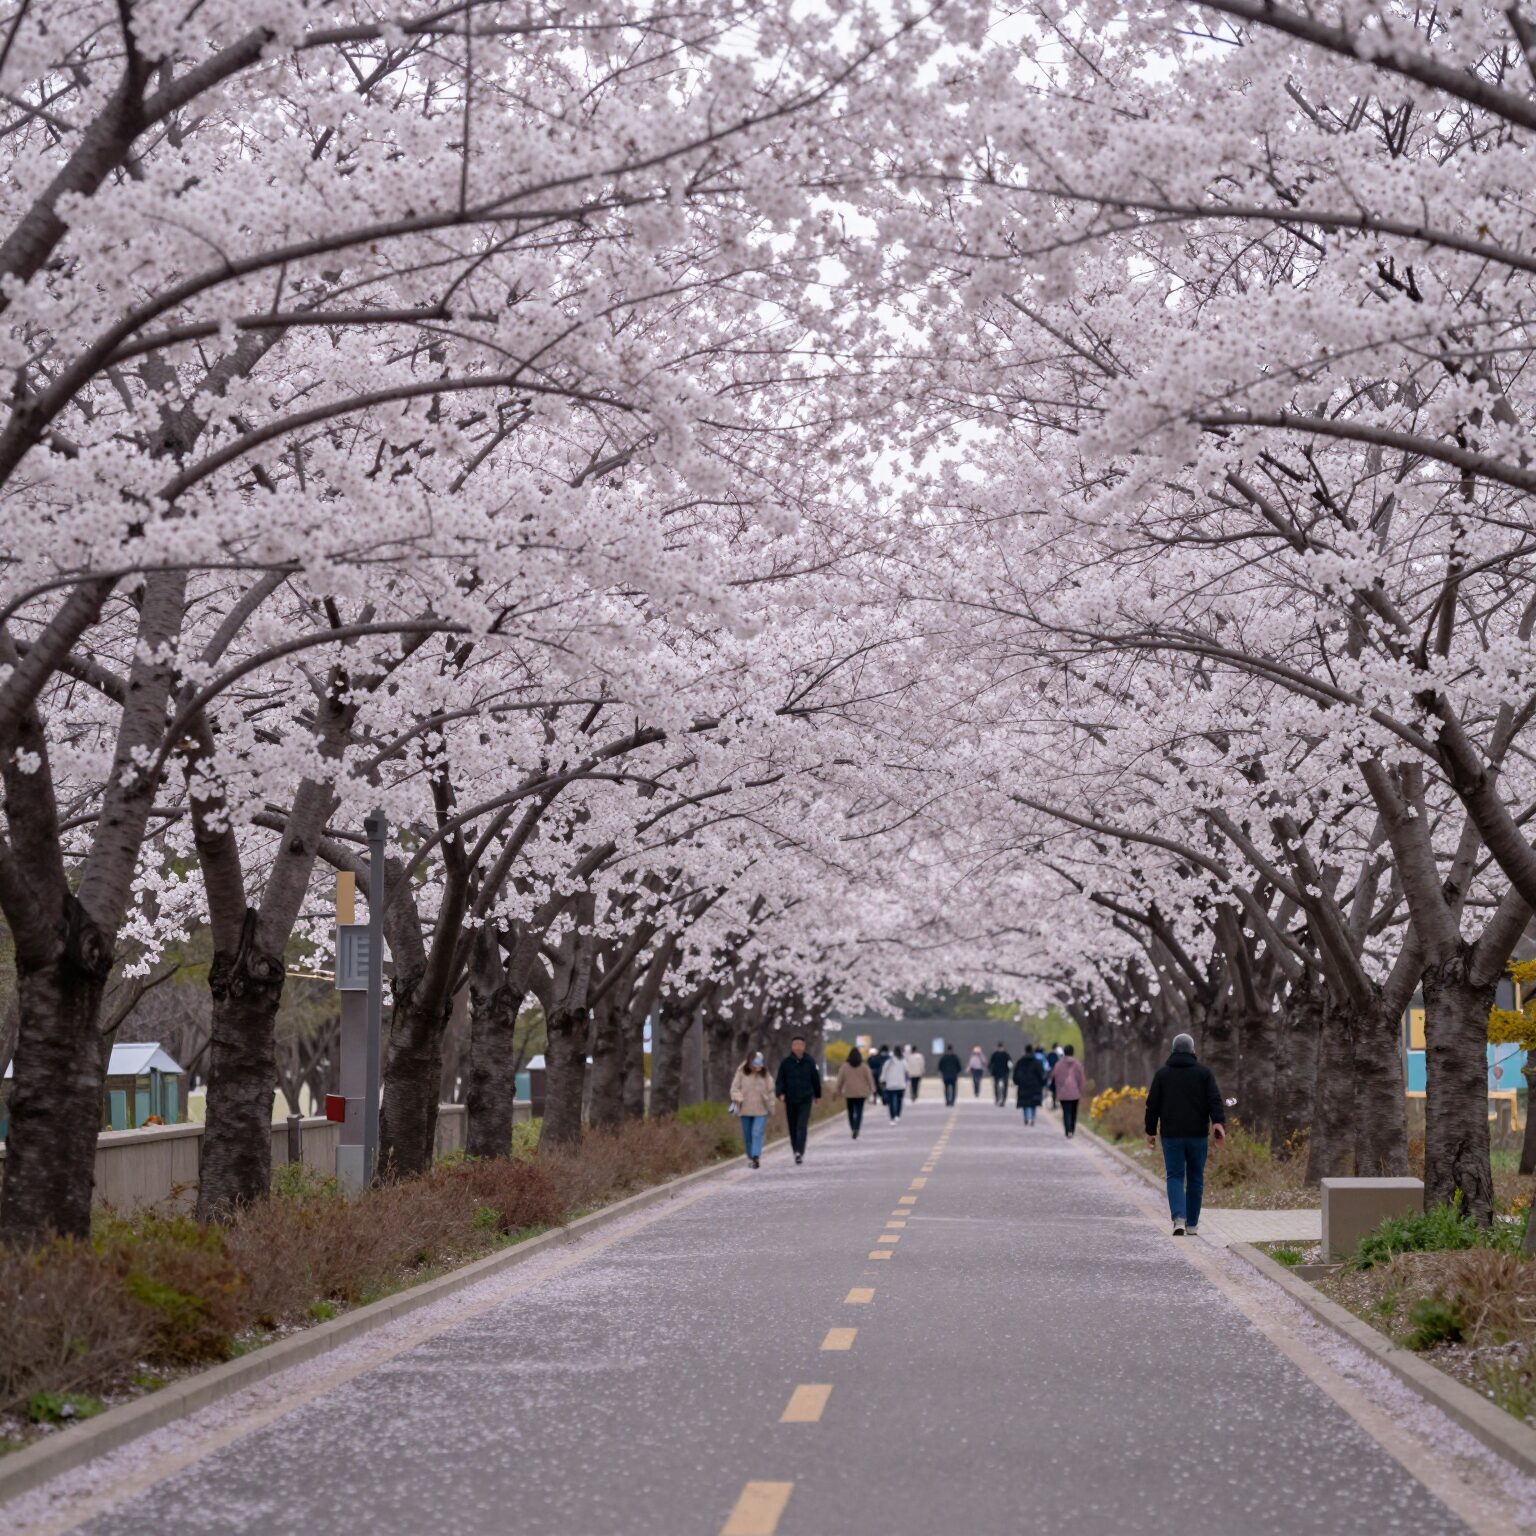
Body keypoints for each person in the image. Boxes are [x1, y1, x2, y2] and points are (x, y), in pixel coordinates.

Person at [1145, 1032, 1227, 1236]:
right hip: (1197, 1134)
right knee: (1195, 1177)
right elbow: (1214, 1100)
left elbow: (1152, 1105)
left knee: (1174, 1175)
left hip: (1171, 1134)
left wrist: (1150, 1131)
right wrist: (1218, 1122)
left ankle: (1178, 1219)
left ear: (1173, 1050)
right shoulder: (1204, 1073)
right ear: (1193, 1050)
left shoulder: (1162, 1074)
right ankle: (1192, 1224)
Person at [774, 1035, 822, 1164]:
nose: (797, 1047)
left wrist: (817, 1095)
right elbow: (780, 1080)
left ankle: (799, 1151)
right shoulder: (786, 1063)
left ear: (804, 1046)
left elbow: (815, 1080)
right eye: (795, 1044)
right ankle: (795, 1149)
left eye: (800, 1044)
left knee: (801, 1125)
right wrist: (780, 1093)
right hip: (790, 1098)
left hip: (805, 1098)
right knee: (793, 1126)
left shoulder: (810, 1062)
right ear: (792, 1046)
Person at [729, 1051, 776, 1168]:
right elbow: (734, 1089)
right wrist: (739, 1097)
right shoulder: (741, 1072)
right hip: (745, 1109)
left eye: (759, 1065)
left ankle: (756, 1156)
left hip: (761, 1110)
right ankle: (751, 1157)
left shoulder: (765, 1073)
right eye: (755, 1065)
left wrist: (771, 1106)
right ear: (750, 1063)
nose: (757, 1068)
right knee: (747, 1136)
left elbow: (771, 1091)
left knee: (757, 1132)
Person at [834, 1047, 875, 1140]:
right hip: (861, 1093)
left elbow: (840, 1080)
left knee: (851, 1111)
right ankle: (857, 1128)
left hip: (849, 1093)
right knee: (859, 1111)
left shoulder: (844, 1066)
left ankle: (852, 1127)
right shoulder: (864, 1066)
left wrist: (838, 1090)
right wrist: (872, 1089)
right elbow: (869, 1079)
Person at [1050, 1044, 1086, 1137]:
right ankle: (1072, 1129)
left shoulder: (1058, 1064)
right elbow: (1081, 1078)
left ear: (1064, 1052)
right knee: (1074, 1111)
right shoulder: (1077, 1064)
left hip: (1063, 1092)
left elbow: (1054, 1077)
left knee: (1066, 1111)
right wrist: (1081, 1090)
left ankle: (1068, 1130)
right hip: (1075, 1092)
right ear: (1073, 1052)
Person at [1012, 1044, 1046, 1126]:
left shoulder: (1020, 1062)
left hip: (1023, 1085)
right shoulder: (1037, 1062)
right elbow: (1041, 1074)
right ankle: (1033, 1118)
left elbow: (1016, 1073)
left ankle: (1026, 1117)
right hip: (1035, 1085)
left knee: (1025, 1103)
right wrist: (1043, 1083)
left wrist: (1016, 1081)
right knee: (1033, 1103)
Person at [880, 1044, 909, 1120]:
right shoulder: (903, 1062)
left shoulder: (888, 1062)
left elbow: (884, 1072)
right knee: (899, 1101)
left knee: (891, 1102)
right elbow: (907, 1072)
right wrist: (906, 1082)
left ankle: (892, 1116)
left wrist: (882, 1081)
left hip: (890, 1085)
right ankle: (897, 1115)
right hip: (901, 1085)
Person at [988, 1042, 1011, 1106]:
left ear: (997, 1047)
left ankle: (997, 1098)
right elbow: (1010, 1063)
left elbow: (991, 1063)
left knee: (996, 1086)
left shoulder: (995, 1054)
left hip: (996, 1072)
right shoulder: (1006, 1054)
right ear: (1003, 1047)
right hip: (1005, 1072)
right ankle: (1004, 1099)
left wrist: (990, 1070)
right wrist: (1009, 1070)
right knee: (1005, 1087)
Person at [1045, 1044, 1061, 1109]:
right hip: (1057, 1073)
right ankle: (1056, 1102)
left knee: (1052, 1088)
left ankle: (1053, 1102)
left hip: (1051, 1072)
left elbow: (1046, 1064)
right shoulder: (1058, 1054)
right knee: (1057, 1088)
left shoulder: (1049, 1054)